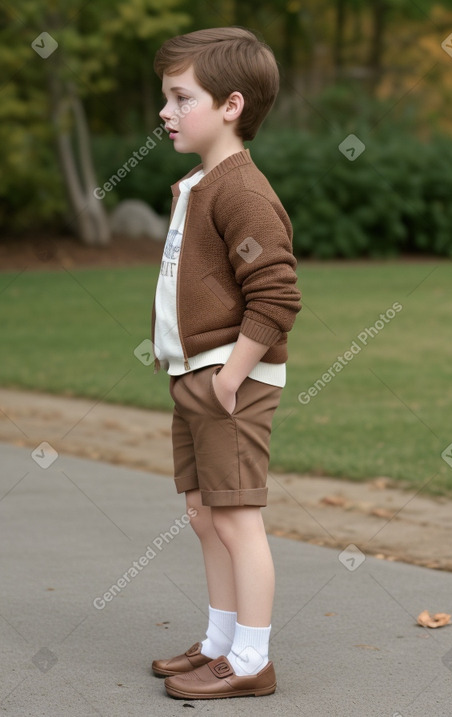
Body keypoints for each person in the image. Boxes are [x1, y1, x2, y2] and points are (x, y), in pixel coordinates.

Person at [150, 26, 301, 700]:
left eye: (182, 98)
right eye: (166, 98)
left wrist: (230, 377)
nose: (166, 111)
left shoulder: (241, 189)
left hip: (228, 379)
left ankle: (250, 659)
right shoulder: (199, 184)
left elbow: (276, 295)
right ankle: (217, 641)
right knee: (204, 513)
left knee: (238, 517)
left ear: (231, 105)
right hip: (199, 375)